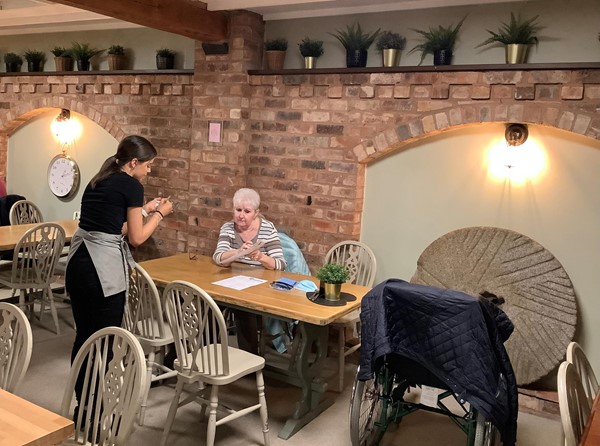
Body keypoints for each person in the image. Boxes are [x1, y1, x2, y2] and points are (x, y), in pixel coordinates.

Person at [65, 135, 173, 411]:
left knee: (85, 336)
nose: (149, 171)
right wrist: (159, 215)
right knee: (106, 340)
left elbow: (113, 228)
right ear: (134, 163)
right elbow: (136, 238)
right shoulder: (131, 186)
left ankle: (84, 405)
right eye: (148, 166)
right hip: (100, 270)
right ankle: (98, 408)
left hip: (79, 263)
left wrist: (145, 210)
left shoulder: (99, 179)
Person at [213, 188, 286, 352]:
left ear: (256, 213)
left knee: (244, 309)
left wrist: (260, 256)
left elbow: (280, 263)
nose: (241, 215)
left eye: (247, 211)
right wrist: (238, 252)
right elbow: (219, 257)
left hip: (258, 285)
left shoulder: (267, 229)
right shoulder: (228, 228)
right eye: (238, 210)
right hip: (231, 283)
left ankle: (250, 359)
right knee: (209, 304)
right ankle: (206, 352)